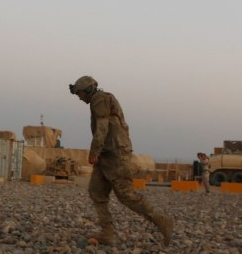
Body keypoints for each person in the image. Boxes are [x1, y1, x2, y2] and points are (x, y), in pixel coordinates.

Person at [69, 75, 173, 247]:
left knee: (126, 195)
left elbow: (102, 127)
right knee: (97, 192)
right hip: (106, 154)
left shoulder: (99, 99)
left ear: (87, 91)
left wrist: (94, 151)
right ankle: (107, 233)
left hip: (115, 155)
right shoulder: (101, 99)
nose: (80, 98)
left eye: (80, 94)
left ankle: (161, 220)